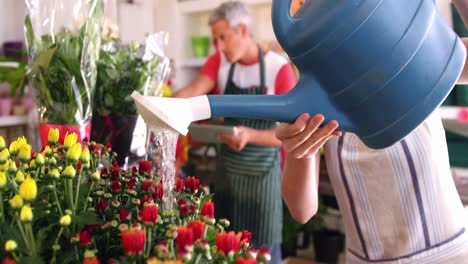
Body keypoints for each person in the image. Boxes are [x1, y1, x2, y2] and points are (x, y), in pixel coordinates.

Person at [277, 0, 468, 263]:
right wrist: (299, 150)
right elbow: (302, 209)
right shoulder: (318, 94)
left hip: (446, 255)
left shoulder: (407, 53)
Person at [173, 1, 297, 262]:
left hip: (264, 181)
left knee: (263, 255)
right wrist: (158, 104)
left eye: (222, 37)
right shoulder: (220, 62)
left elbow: (292, 133)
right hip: (227, 176)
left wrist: (250, 135)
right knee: (225, 249)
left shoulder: (279, 69)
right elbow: (192, 93)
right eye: (214, 39)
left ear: (242, 30)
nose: (218, 46)